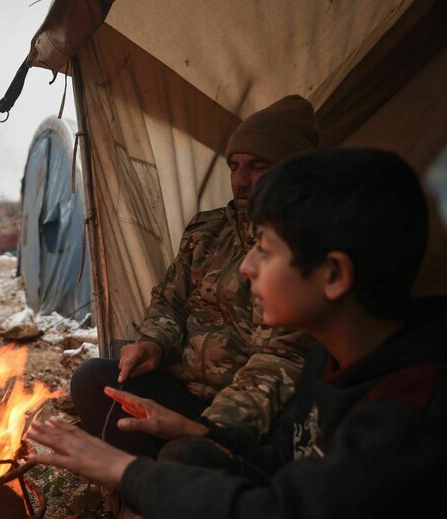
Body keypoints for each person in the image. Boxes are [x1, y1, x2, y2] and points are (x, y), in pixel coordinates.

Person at [28, 148, 447, 519]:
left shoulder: (408, 416)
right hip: (212, 421)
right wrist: (193, 429)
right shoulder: (332, 358)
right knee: (187, 450)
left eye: (265, 249)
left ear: (334, 274)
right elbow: (280, 460)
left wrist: (125, 471)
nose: (246, 267)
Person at [70, 95, 319, 462]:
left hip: (249, 409)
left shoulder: (306, 245)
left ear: (293, 171)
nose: (241, 181)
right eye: (234, 166)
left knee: (190, 451)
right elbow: (170, 301)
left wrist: (205, 429)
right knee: (92, 379)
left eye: (258, 166)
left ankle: (174, 473)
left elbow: (281, 359)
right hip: (183, 389)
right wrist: (153, 343)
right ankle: (146, 479)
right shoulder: (208, 230)